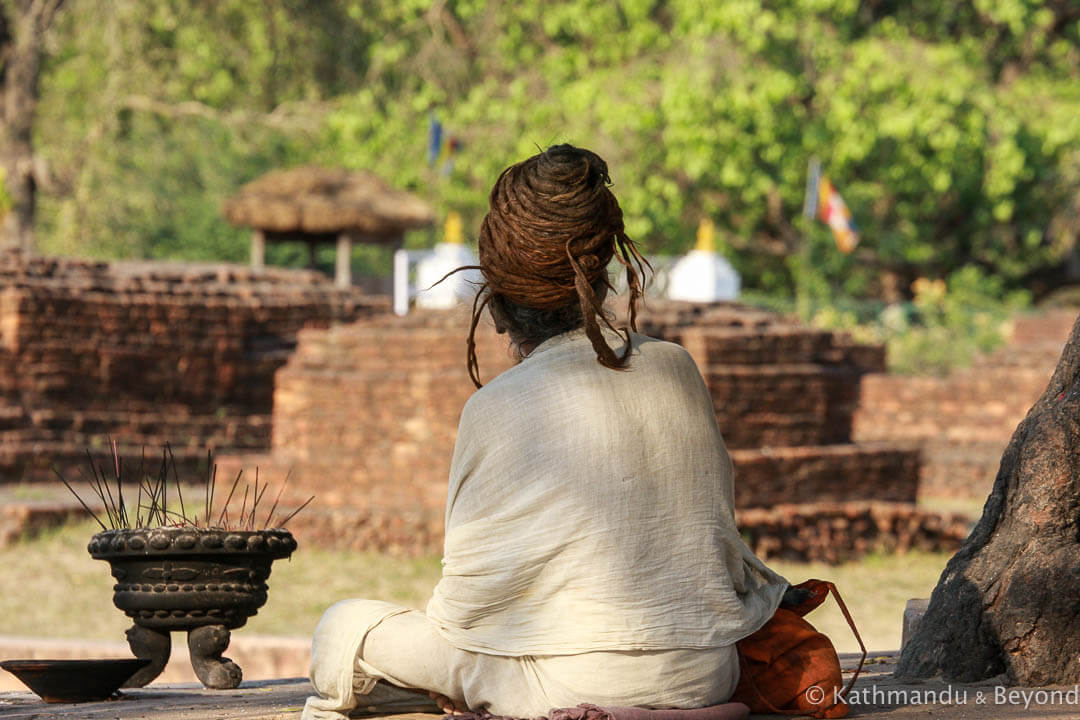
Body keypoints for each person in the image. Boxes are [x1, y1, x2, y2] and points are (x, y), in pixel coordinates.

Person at [303, 145, 789, 720]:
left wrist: (467, 664)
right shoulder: (677, 366)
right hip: (706, 676)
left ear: (499, 303)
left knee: (343, 626)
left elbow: (465, 612)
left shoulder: (494, 406)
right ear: (603, 275)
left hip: (563, 689)